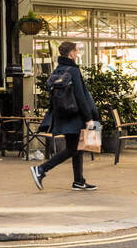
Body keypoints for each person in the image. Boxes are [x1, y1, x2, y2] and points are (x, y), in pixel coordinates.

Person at [32, 41, 100, 191]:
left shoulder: (58, 70)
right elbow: (80, 96)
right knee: (73, 148)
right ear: (71, 53)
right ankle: (41, 169)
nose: (77, 54)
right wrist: (89, 118)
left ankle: (78, 181)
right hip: (75, 115)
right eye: (76, 51)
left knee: (77, 147)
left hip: (63, 114)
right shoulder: (73, 71)